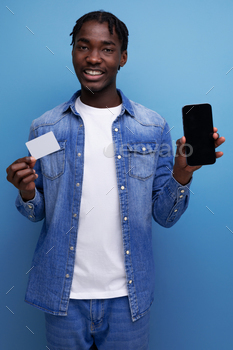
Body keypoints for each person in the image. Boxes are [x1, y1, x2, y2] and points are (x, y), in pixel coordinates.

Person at [6, 10, 225, 350]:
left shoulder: (151, 127)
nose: (93, 58)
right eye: (83, 46)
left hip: (128, 297)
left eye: (106, 49)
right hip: (64, 296)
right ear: (74, 52)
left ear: (122, 57)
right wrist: (27, 191)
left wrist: (182, 174)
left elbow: (164, 217)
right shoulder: (46, 128)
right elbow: (38, 212)